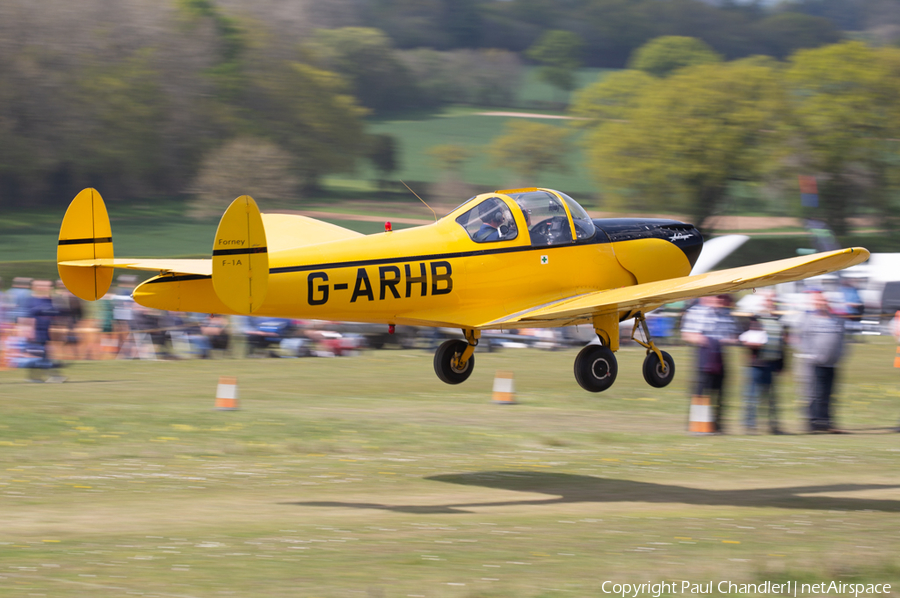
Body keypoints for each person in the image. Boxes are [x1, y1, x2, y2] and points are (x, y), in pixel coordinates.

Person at [681, 294, 739, 433]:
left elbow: (732, 336)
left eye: (723, 298)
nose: (721, 300)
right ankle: (698, 426)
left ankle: (717, 425)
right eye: (719, 297)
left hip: (720, 357)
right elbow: (687, 334)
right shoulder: (696, 312)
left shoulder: (726, 315)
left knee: (719, 393)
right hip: (704, 357)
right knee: (701, 393)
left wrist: (728, 341)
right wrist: (705, 340)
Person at [797, 289, 846, 433]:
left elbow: (842, 340)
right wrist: (810, 354)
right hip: (814, 363)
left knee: (828, 393)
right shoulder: (808, 319)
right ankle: (814, 423)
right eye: (818, 301)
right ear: (813, 303)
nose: (821, 303)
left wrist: (839, 355)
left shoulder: (835, 320)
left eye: (823, 301)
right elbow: (801, 339)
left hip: (831, 363)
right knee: (814, 393)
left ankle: (826, 422)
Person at [739, 292, 787, 434]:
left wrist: (781, 364)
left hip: (772, 364)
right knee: (752, 396)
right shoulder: (754, 318)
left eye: (773, 300)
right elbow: (744, 338)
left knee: (772, 398)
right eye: (768, 299)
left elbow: (781, 343)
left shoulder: (778, 320)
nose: (771, 302)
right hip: (757, 364)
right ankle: (750, 425)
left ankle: (773, 426)